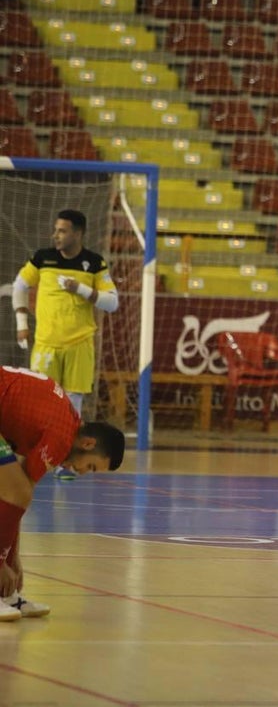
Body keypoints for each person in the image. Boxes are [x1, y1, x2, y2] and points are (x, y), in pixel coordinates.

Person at [0, 366, 125, 620]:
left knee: (17, 490)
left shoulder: (64, 422)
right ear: (88, 443)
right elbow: (19, 494)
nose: (81, 472)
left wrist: (13, 558)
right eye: (90, 466)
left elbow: (16, 503)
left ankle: (6, 595)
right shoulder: (60, 439)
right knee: (18, 490)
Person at [12, 210, 119, 417]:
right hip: (46, 343)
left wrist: (81, 289)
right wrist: (22, 324)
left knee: (72, 405)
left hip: (79, 344)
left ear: (78, 234)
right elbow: (19, 286)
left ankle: (70, 437)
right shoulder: (43, 258)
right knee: (41, 400)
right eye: (56, 230)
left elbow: (112, 303)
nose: (55, 235)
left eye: (62, 231)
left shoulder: (94, 263)